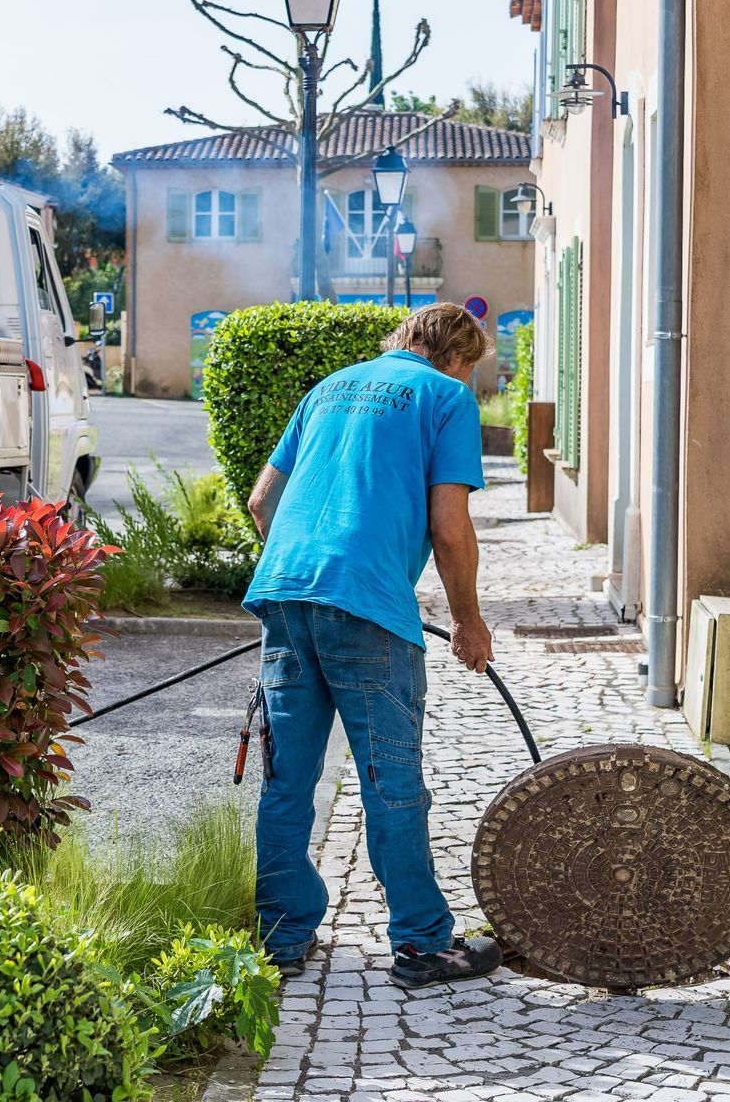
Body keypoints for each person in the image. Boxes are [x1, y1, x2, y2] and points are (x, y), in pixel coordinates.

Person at [242, 302, 503, 989]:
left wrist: (307, 572)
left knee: (287, 780)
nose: (468, 381)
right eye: (470, 369)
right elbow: (450, 528)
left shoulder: (328, 386)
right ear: (456, 358)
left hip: (283, 593)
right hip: (366, 611)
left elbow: (261, 504)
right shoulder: (447, 397)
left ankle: (281, 936)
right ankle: (421, 944)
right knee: (392, 783)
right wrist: (470, 623)